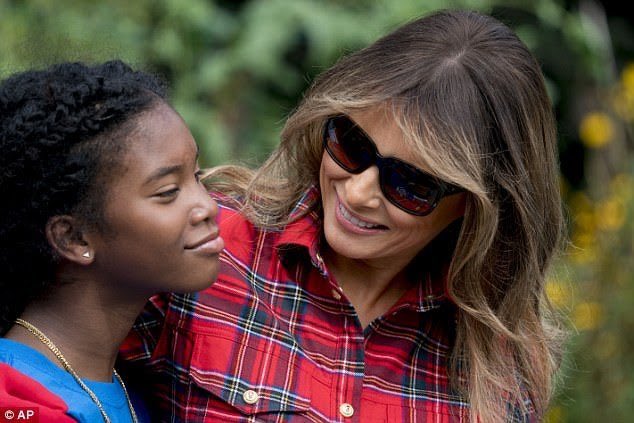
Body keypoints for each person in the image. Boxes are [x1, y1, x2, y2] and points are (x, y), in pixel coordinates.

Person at [120, 9, 565, 422]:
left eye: (408, 183)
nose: (356, 192)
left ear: (476, 206)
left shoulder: (498, 371)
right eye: (352, 144)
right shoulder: (208, 248)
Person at [0, 60, 224, 422]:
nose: (208, 207)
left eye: (197, 176)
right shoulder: (16, 400)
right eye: (168, 192)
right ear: (74, 238)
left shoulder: (132, 386)